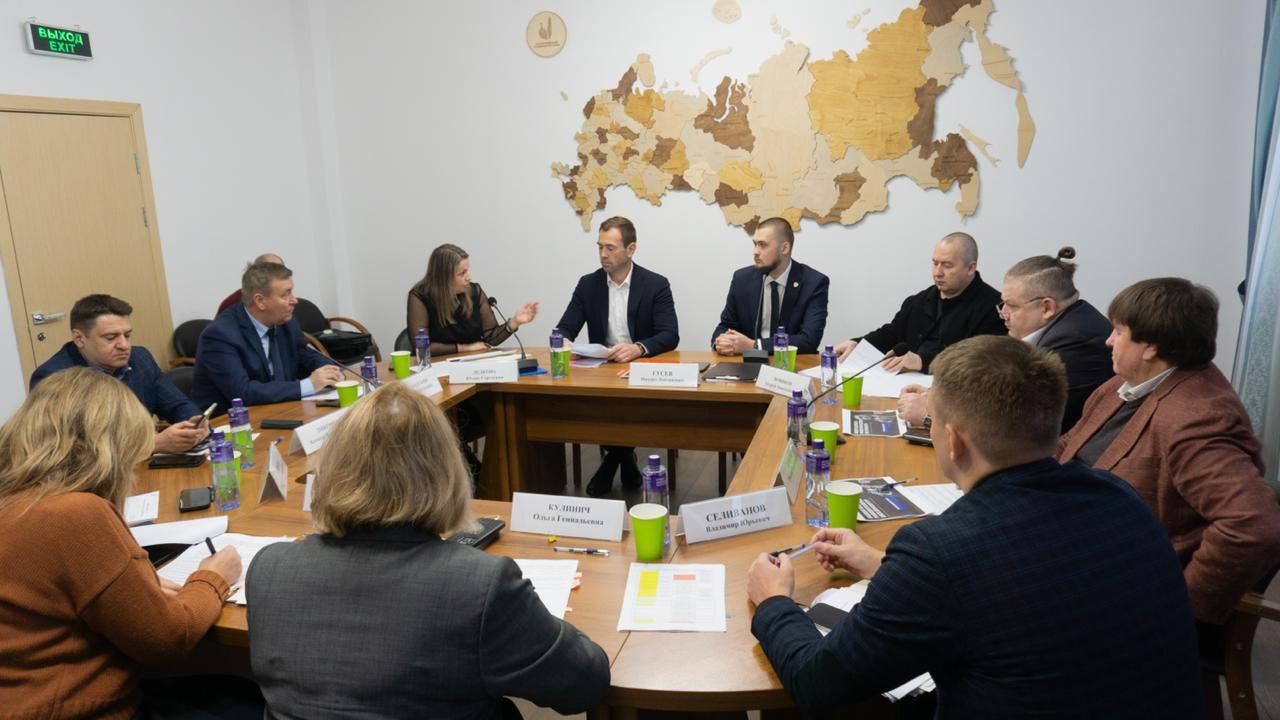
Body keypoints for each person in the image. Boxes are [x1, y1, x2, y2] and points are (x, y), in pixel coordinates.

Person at [747, 336, 1202, 717]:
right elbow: (1012, 585)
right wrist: (882, 565)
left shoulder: (940, 550)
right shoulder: (1119, 496)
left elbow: (819, 683)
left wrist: (774, 601)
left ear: (952, 439)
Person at [247, 382, 609, 718]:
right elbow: (584, 683)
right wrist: (530, 614)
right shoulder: (481, 586)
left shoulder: (270, 569)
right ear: (444, 470)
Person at [0, 368, 244, 719]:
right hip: (72, 708)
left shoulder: (17, 500)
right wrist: (214, 577)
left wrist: (135, 584)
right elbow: (169, 639)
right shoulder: (75, 513)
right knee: (246, 694)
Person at [1058, 278, 1280, 627]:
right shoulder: (1123, 384)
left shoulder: (1198, 417)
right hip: (1074, 550)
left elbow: (1252, 525)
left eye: (1119, 332)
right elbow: (1068, 445)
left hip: (1123, 592)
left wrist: (1183, 608)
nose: (1108, 340)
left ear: (1151, 347)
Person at [898, 247, 1113, 431]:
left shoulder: (1077, 345)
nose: (1003, 314)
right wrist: (940, 397)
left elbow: (1014, 423)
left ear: (1047, 307)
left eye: (1012, 306)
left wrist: (930, 417)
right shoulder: (1067, 323)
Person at [556, 216, 680, 496]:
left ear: (631, 249)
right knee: (604, 404)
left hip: (642, 371)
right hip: (603, 371)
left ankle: (612, 461)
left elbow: (670, 334)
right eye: (600, 247)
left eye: (610, 248)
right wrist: (562, 339)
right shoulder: (588, 284)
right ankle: (625, 458)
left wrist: (638, 348)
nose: (603, 254)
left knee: (625, 407)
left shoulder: (655, 284)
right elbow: (565, 326)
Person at [30, 294, 209, 453]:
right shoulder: (53, 378)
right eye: (111, 337)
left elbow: (177, 404)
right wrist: (152, 444)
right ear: (79, 338)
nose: (124, 345)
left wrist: (194, 425)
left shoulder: (140, 358)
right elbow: (73, 449)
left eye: (127, 335)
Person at [835, 232, 1004, 373]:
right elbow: (892, 333)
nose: (937, 273)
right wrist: (858, 344)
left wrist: (923, 361)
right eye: (935, 263)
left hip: (952, 393)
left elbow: (982, 363)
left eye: (947, 265)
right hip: (904, 387)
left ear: (971, 268)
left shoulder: (995, 308)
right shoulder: (920, 300)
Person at [192, 260, 344, 410]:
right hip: (229, 420)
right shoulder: (220, 335)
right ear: (260, 301)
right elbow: (242, 392)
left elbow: (307, 356)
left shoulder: (285, 322)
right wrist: (308, 385)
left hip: (277, 409)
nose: (294, 300)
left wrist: (331, 372)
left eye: (291, 291)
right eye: (285, 295)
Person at [712, 217, 829, 355]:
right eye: (755, 244)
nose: (755, 251)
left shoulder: (814, 283)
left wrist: (755, 345)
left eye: (762, 245)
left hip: (791, 364)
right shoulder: (742, 279)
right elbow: (726, 325)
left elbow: (809, 340)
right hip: (748, 363)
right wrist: (722, 342)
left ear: (784, 248)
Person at [406, 243, 537, 356]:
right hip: (436, 368)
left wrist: (514, 322)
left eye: (467, 271)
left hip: (473, 365)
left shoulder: (474, 291)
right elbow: (421, 347)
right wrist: (463, 348)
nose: (468, 277)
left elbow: (491, 337)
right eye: (462, 273)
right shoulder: (420, 296)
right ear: (444, 277)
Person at [216, 252, 283, 316]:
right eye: (273, 271)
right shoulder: (233, 302)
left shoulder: (286, 300)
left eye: (282, 271)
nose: (280, 275)